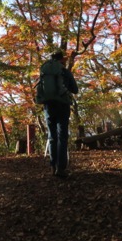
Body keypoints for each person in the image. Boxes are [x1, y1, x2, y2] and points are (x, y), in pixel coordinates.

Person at [43, 50, 78, 179]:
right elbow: (75, 90)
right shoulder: (65, 72)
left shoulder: (45, 72)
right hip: (63, 106)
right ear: (61, 60)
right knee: (62, 136)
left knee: (52, 136)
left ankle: (52, 166)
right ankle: (61, 168)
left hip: (49, 107)